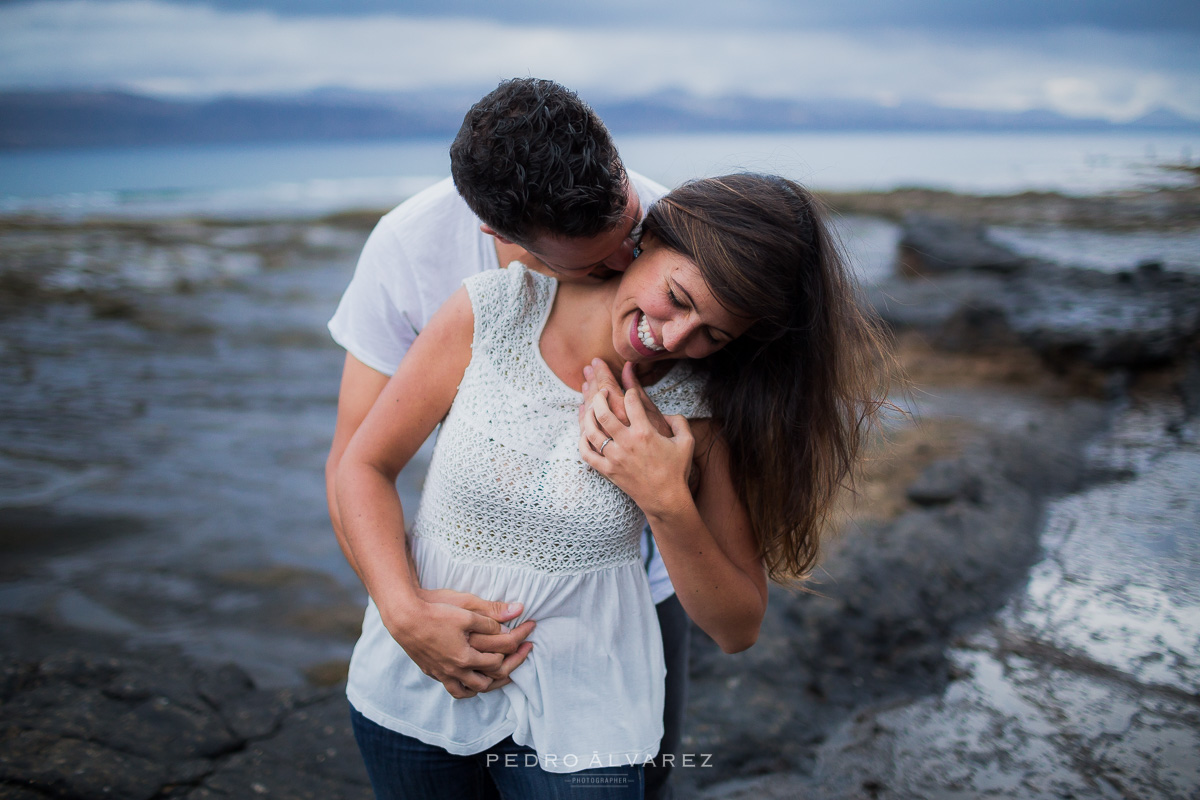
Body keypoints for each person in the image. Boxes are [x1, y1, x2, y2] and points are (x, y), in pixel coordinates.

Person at [335, 172, 891, 798]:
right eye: (678, 297)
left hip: (587, 717)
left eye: (714, 334)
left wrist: (662, 496)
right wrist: (404, 612)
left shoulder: (700, 407)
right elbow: (362, 467)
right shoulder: (492, 309)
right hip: (415, 687)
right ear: (643, 238)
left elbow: (738, 628)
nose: (673, 338)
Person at [325, 78, 695, 799]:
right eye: (591, 264)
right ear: (500, 239)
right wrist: (402, 610)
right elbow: (356, 458)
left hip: (630, 603)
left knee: (653, 783)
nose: (625, 267)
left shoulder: (676, 227)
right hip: (463, 592)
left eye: (627, 230)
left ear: (611, 151)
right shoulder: (410, 249)